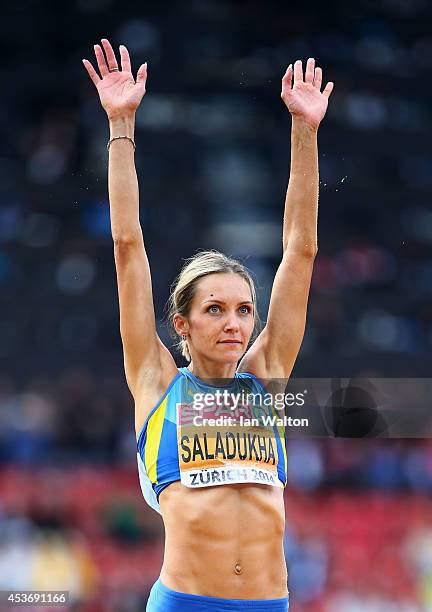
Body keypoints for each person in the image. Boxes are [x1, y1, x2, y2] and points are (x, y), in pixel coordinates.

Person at [83, 38, 333, 612]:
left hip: (270, 603)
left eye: (245, 309)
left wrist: (305, 133)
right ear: (183, 324)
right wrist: (121, 125)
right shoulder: (156, 381)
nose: (235, 323)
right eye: (215, 309)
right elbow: (127, 247)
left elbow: (301, 251)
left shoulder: (266, 377)